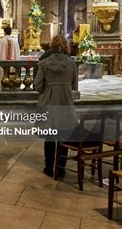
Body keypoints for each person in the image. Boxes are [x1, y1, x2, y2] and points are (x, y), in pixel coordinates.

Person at [34, 35, 78, 178]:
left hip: (49, 101)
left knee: (50, 136)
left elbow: (38, 86)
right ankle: (61, 168)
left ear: (52, 46)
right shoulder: (71, 64)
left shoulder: (44, 63)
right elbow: (74, 85)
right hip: (65, 101)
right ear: (66, 46)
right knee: (63, 135)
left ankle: (48, 167)